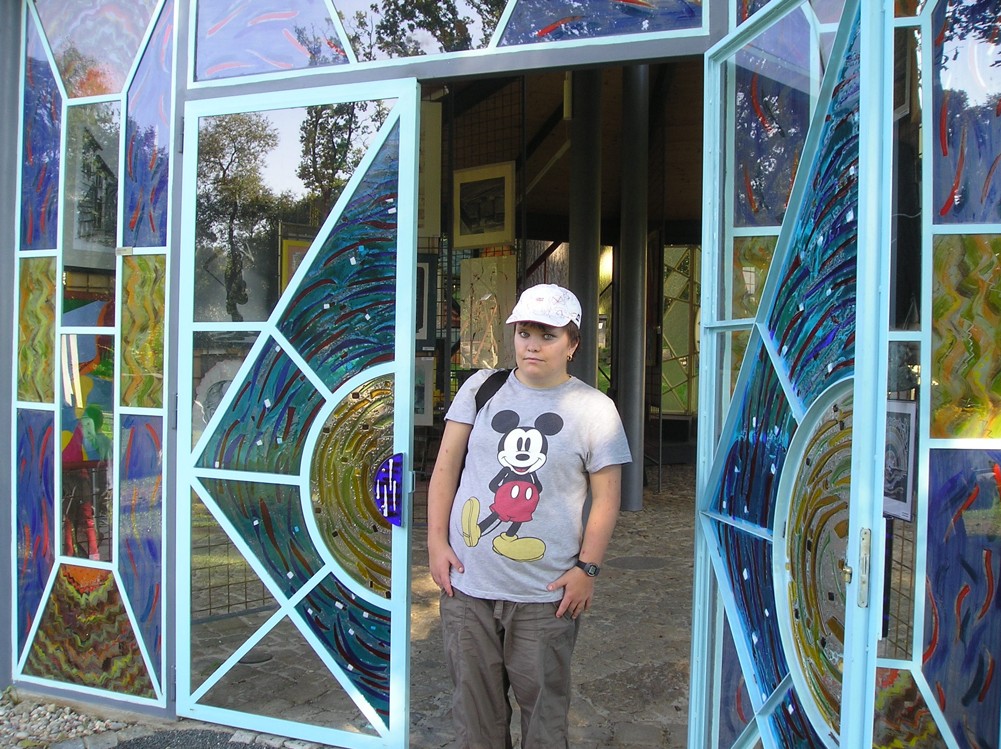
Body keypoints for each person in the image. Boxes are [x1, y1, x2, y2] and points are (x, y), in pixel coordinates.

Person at [427, 283, 632, 749]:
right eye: (524, 333)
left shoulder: (594, 410)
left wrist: (587, 569)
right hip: (468, 589)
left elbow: (607, 499)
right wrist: (436, 543)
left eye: (548, 335)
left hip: (545, 597)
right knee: (475, 721)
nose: (533, 345)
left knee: (544, 721)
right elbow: (445, 469)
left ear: (573, 343)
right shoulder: (481, 389)